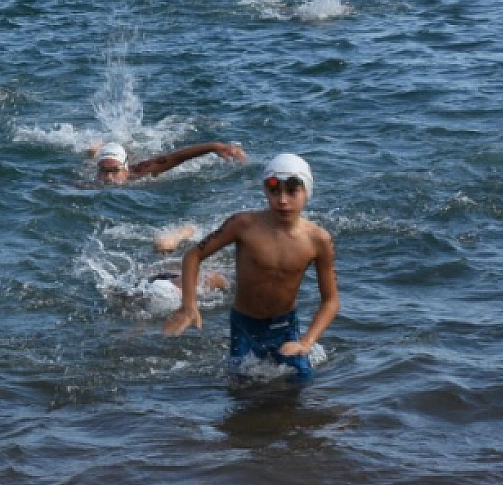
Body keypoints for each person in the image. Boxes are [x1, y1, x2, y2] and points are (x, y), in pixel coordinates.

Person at [163, 154, 339, 380]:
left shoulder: (318, 240)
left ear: (307, 193)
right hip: (244, 325)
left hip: (285, 326)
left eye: (292, 192)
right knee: (240, 385)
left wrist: (306, 342)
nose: (282, 200)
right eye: (274, 192)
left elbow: (331, 300)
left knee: (302, 381)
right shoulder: (244, 225)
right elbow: (193, 255)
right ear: (265, 192)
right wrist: (188, 305)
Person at [93, 140, 246, 184]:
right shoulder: (92, 183)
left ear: (125, 169)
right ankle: (95, 152)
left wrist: (214, 146)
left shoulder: (140, 171)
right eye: (104, 171)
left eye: (115, 171)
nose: (109, 178)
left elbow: (177, 158)